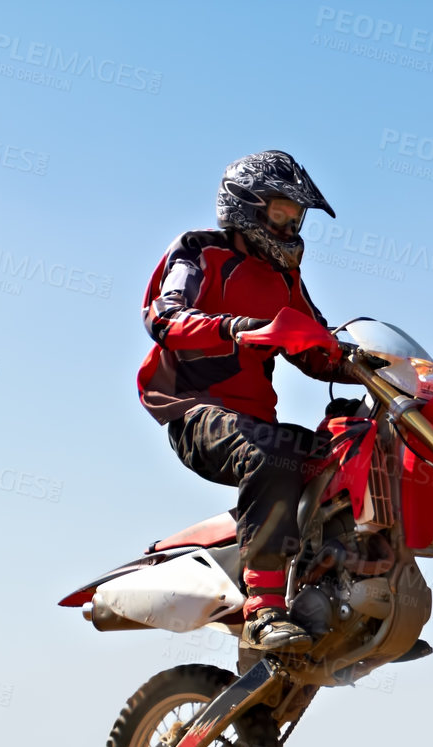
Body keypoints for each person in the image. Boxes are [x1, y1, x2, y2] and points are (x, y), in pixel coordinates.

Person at [137, 150, 346, 652]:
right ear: (245, 206)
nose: (291, 225)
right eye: (281, 212)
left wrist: (360, 360)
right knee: (271, 454)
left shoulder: (284, 279)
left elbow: (314, 349)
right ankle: (264, 609)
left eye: (296, 218)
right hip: (194, 411)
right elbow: (164, 317)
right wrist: (236, 328)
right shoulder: (199, 251)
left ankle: (341, 583)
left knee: (345, 448)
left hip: (256, 420)